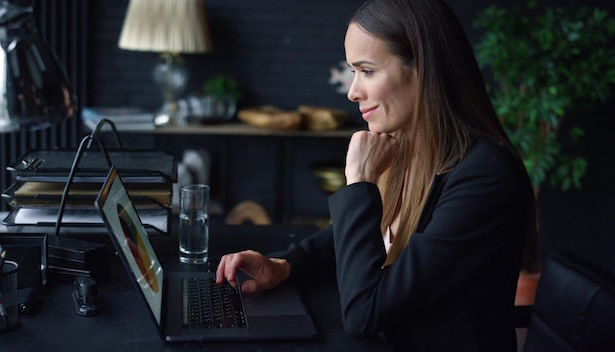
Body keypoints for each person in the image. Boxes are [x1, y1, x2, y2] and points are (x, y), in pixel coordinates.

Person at [216, 0, 538, 350]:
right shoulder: (408, 145)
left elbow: (363, 313)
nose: (353, 91)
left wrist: (360, 182)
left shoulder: (485, 176)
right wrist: (285, 264)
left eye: (367, 71)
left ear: (423, 70)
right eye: (353, 72)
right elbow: (360, 233)